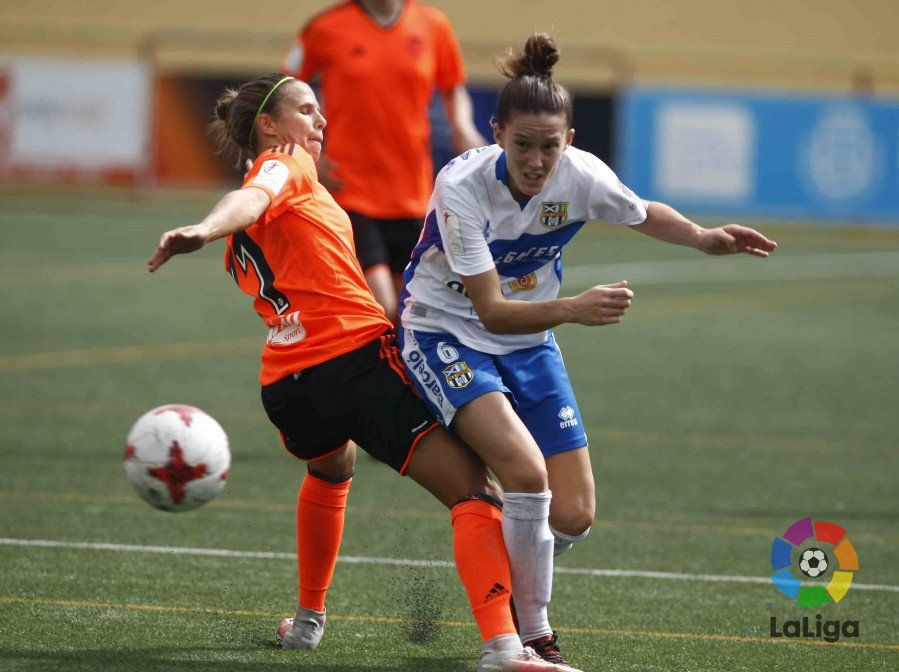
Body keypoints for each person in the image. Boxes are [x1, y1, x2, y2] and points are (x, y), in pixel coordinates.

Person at [147, 73, 574, 672]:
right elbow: (255, 196)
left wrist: (214, 229)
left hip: (288, 385)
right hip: (352, 362)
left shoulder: (277, 195)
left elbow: (255, 209)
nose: (320, 121)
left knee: (332, 469)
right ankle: (505, 647)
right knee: (476, 493)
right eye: (306, 109)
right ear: (269, 125)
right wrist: (201, 228)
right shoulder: (286, 163)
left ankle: (307, 622)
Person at [398, 33, 778, 664]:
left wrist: (704, 237)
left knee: (572, 514)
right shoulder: (461, 186)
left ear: (569, 140)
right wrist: (574, 309)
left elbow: (641, 211)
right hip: (445, 332)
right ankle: (532, 636)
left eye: (550, 146)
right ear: (497, 134)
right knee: (527, 476)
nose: (536, 160)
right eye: (523, 144)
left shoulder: (581, 174)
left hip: (528, 338)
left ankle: (502, 553)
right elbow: (490, 310)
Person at [281, 0, 486, 325]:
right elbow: (285, 90)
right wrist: (305, 153)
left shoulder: (433, 24)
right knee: (381, 308)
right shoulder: (325, 27)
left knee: (413, 313)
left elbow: (452, 86)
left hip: (414, 196)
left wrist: (463, 127)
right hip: (351, 192)